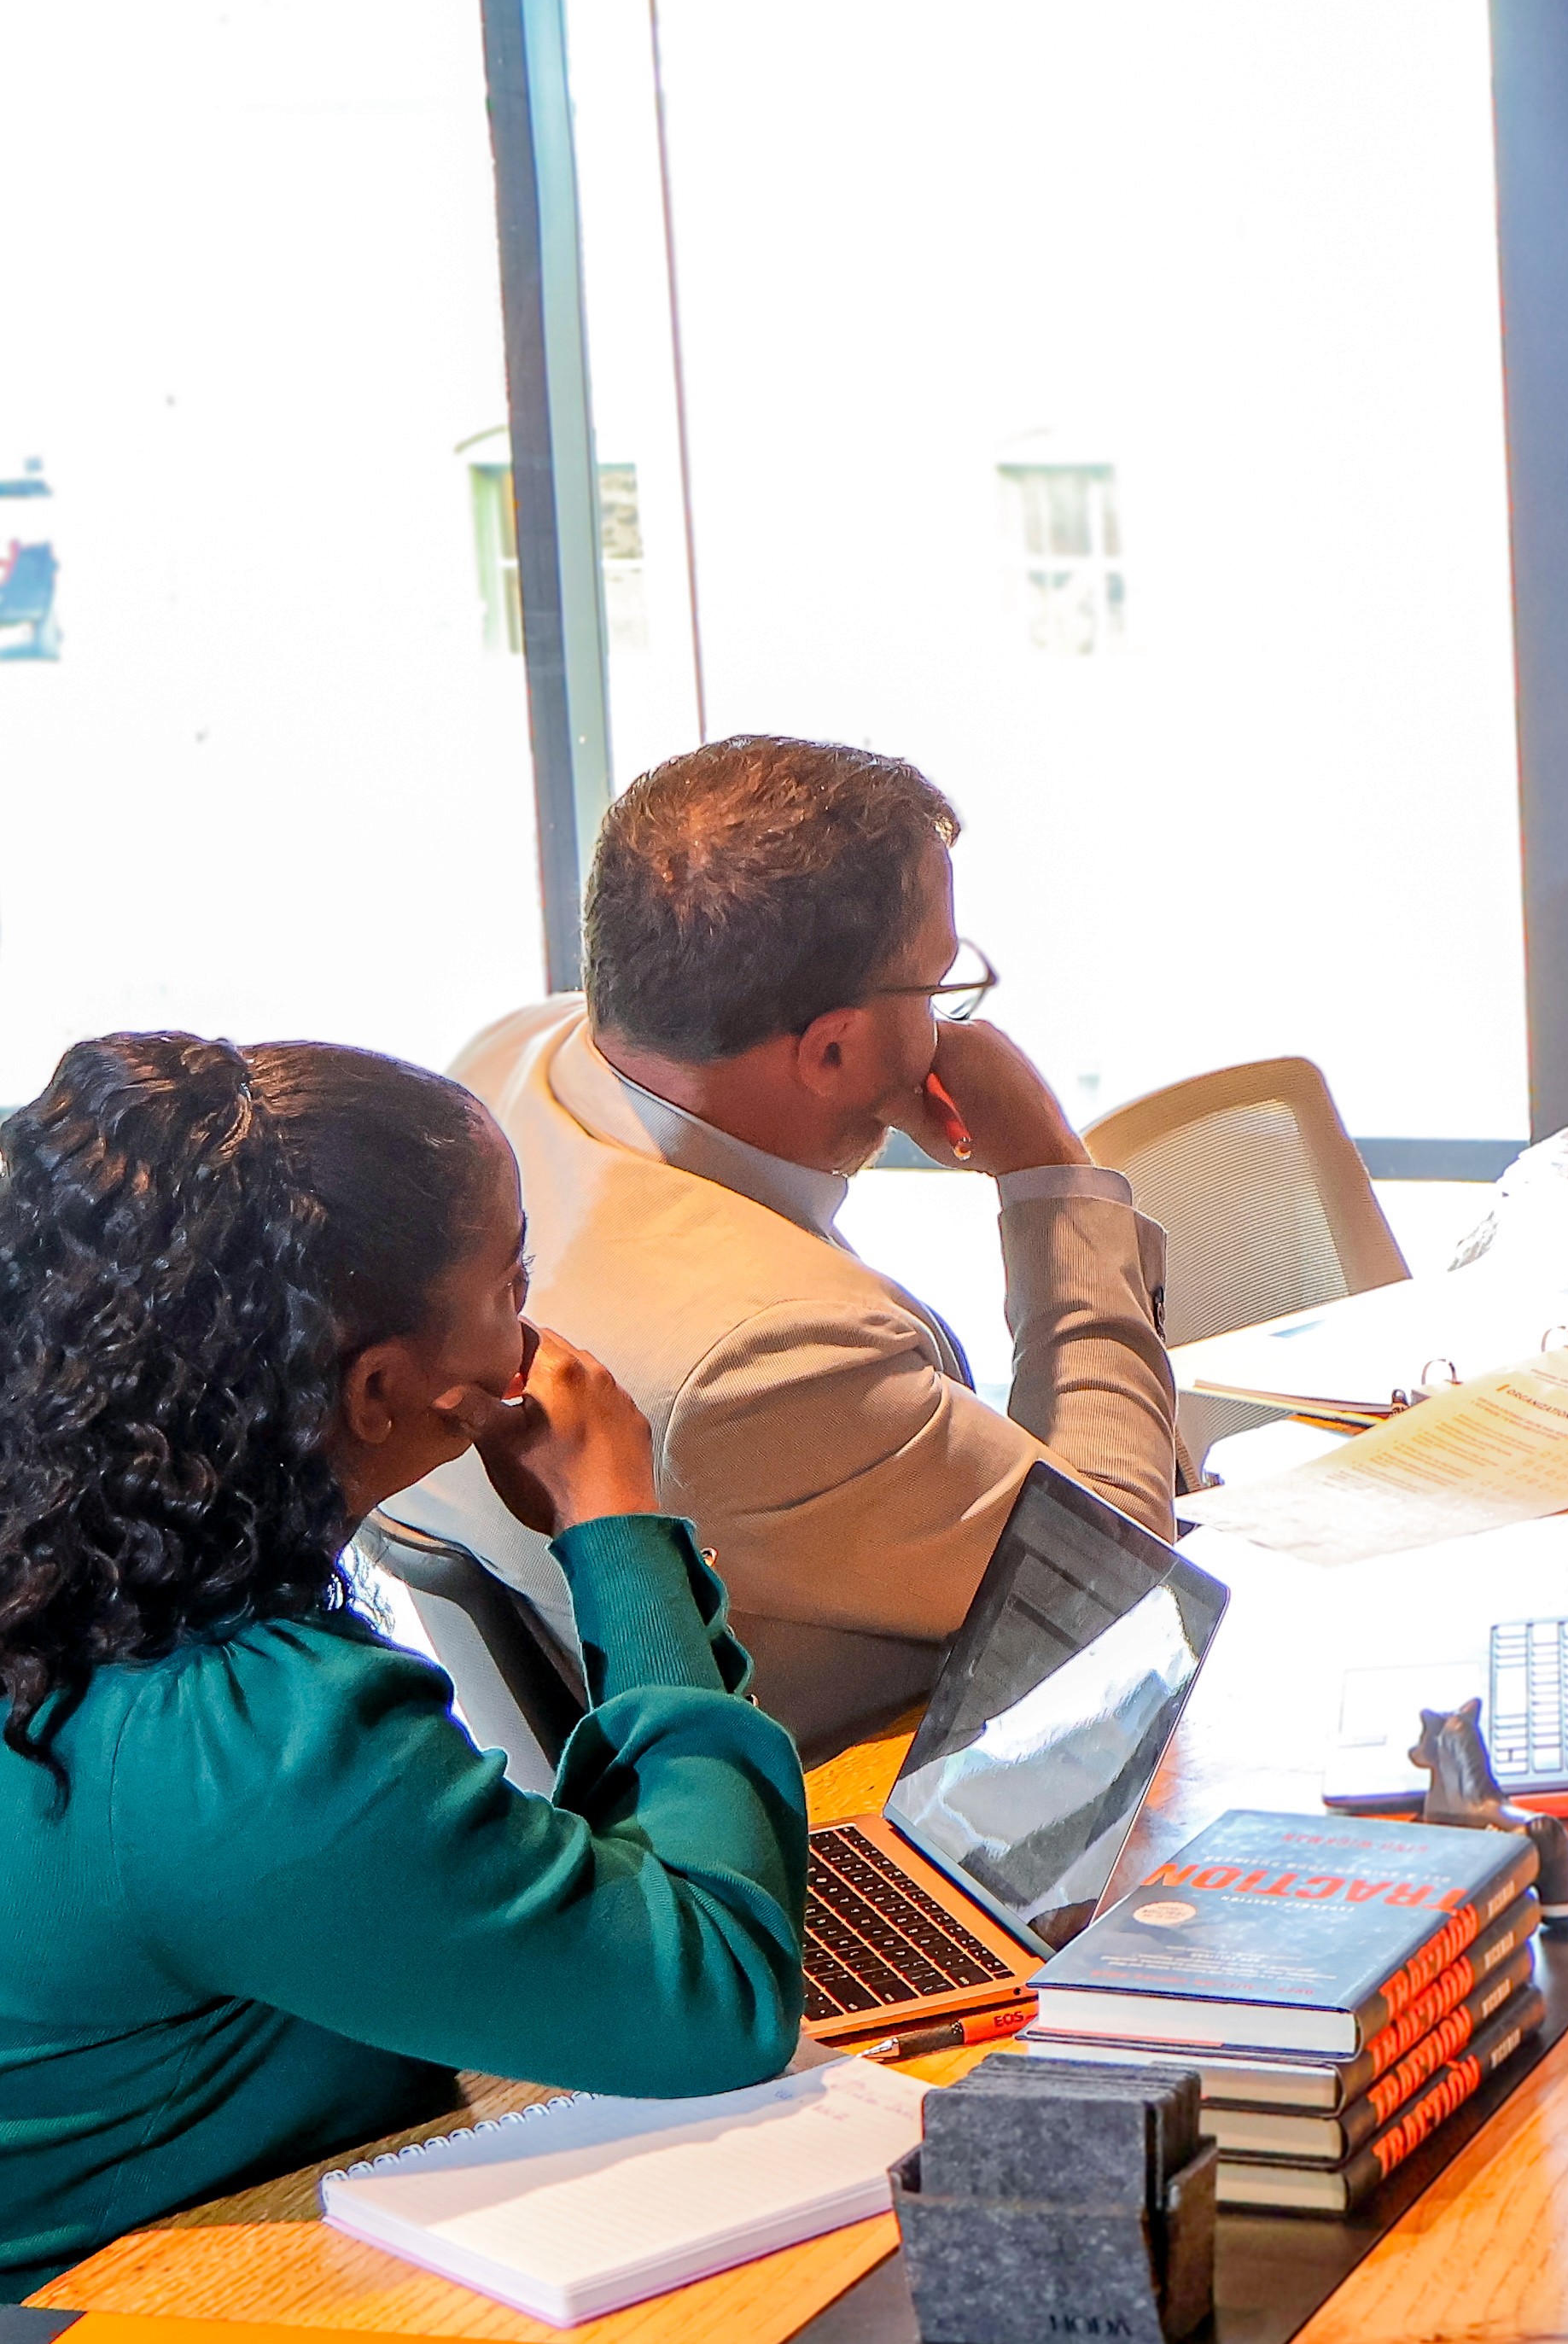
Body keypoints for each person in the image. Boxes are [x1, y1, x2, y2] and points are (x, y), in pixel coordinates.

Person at [0, 1035, 804, 2264]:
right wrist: (617, 1525)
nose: (537, 1332)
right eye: (509, 1286)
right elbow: (721, 1994)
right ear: (378, 1391)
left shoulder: (70, 1564)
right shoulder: (257, 1741)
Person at [399, 736, 1185, 1752]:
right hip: (878, 1799)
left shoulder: (500, 1072)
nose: (953, 1023)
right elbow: (1115, 1586)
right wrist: (1050, 1177)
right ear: (830, 1047)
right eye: (938, 987)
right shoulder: (763, 1360)